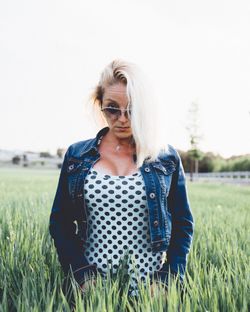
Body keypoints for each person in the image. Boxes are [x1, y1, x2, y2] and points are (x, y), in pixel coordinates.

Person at [49, 59, 194, 302]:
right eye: (112, 108)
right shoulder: (77, 155)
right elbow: (60, 223)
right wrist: (83, 277)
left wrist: (168, 280)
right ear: (100, 105)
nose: (123, 118)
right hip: (91, 293)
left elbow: (183, 223)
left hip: (150, 294)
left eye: (132, 109)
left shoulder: (164, 157)